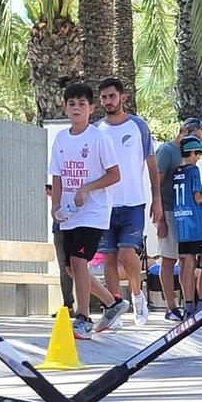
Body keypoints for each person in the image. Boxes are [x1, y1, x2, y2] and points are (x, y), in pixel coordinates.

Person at [49, 80, 125, 336]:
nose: (77, 108)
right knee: (71, 267)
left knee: (79, 261)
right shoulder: (60, 138)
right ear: (65, 108)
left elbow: (115, 174)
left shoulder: (99, 138)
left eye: (82, 104)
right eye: (72, 104)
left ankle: (83, 317)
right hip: (69, 213)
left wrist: (86, 189)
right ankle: (112, 303)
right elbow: (57, 176)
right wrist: (55, 205)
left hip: (94, 212)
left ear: (92, 108)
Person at [95, 77, 158, 325]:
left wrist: (158, 201)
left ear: (122, 97)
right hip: (105, 204)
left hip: (133, 202)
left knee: (126, 253)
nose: (108, 101)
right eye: (103, 97)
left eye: (112, 96)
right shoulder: (96, 130)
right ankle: (114, 306)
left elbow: (151, 164)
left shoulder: (138, 126)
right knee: (109, 257)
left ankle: (137, 296)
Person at [151, 117, 202, 319]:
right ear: (184, 131)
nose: (197, 146)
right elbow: (157, 181)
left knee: (187, 260)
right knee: (168, 258)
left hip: (185, 215)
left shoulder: (190, 161)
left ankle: (188, 304)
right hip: (168, 210)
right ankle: (170, 307)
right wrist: (160, 216)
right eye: (196, 139)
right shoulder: (167, 151)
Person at [164, 135, 202, 316]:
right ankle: (201, 304)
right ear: (191, 152)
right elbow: (198, 198)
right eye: (198, 153)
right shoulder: (193, 170)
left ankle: (188, 306)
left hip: (182, 221)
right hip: (197, 223)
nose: (199, 156)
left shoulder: (177, 171)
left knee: (186, 263)